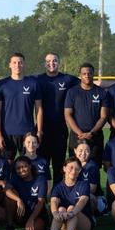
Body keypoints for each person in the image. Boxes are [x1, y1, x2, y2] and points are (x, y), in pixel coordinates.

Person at [36, 52, 78, 185]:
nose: (51, 63)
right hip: (42, 128)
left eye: (54, 60)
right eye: (48, 61)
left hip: (60, 128)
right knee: (42, 164)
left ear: (59, 63)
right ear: (44, 64)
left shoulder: (68, 80)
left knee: (59, 164)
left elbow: (89, 82)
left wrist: (114, 83)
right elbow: (16, 80)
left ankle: (57, 196)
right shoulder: (37, 79)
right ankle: (41, 196)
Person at [0, 53, 43, 160]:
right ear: (9, 65)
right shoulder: (2, 84)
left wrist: (39, 131)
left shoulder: (33, 83)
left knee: (28, 166)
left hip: (28, 132)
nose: (17, 65)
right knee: (7, 166)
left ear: (24, 64)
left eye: (20, 62)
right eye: (14, 63)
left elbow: (39, 109)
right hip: (7, 133)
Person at [64, 62, 109, 165]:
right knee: (75, 166)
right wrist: (80, 133)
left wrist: (91, 133)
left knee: (94, 167)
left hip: (95, 135)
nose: (87, 76)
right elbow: (68, 115)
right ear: (80, 75)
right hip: (76, 136)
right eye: (84, 74)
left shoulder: (101, 93)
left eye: (89, 73)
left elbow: (104, 117)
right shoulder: (72, 92)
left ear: (93, 74)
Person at [46, 156, 93, 230]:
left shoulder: (83, 184)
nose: (73, 171)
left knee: (72, 208)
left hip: (82, 228)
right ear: (64, 168)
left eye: (77, 169)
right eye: (70, 168)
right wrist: (55, 213)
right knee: (61, 209)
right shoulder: (57, 186)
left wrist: (71, 213)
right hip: (64, 225)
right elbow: (54, 201)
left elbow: (82, 201)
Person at [3, 156, 49, 230]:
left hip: (37, 214)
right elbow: (6, 189)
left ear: (30, 166)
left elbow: (41, 202)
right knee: (9, 195)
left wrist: (31, 219)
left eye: (24, 166)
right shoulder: (15, 178)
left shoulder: (40, 179)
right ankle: (10, 225)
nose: (21, 170)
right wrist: (18, 199)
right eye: (18, 168)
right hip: (21, 213)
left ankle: (40, 226)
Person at [73, 138, 105, 214]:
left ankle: (90, 217)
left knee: (83, 198)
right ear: (75, 151)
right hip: (77, 194)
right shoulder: (71, 164)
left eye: (86, 151)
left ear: (90, 152)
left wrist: (72, 190)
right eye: (80, 150)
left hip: (95, 198)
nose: (83, 153)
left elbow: (92, 190)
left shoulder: (92, 167)